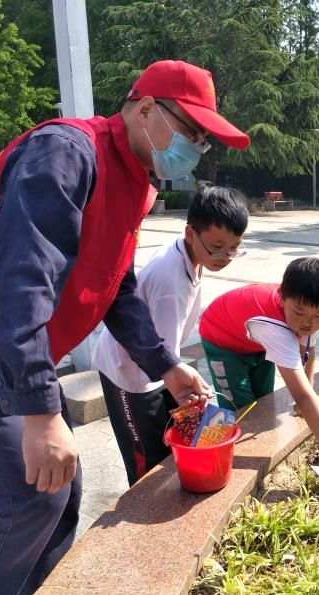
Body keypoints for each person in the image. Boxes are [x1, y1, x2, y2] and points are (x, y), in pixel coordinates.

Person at [0, 60, 250, 595]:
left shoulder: (131, 182)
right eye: (191, 132)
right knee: (27, 498)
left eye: (203, 141)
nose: (195, 149)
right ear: (146, 108)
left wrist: (167, 367)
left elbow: (115, 289)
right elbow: (19, 282)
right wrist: (39, 411)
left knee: (62, 487)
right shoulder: (66, 154)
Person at [92, 184, 249, 486]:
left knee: (164, 443)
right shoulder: (171, 284)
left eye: (234, 246)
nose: (226, 256)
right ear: (191, 233)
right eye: (217, 247)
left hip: (152, 364)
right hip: (129, 373)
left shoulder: (192, 253)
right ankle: (139, 520)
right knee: (146, 461)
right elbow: (165, 354)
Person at [199, 257, 319, 482]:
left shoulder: (306, 311)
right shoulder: (277, 329)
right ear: (282, 298)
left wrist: (306, 393)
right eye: (299, 313)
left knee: (262, 401)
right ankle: (239, 472)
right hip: (221, 338)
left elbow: (307, 352)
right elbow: (302, 395)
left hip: (255, 341)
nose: (308, 323)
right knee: (242, 409)